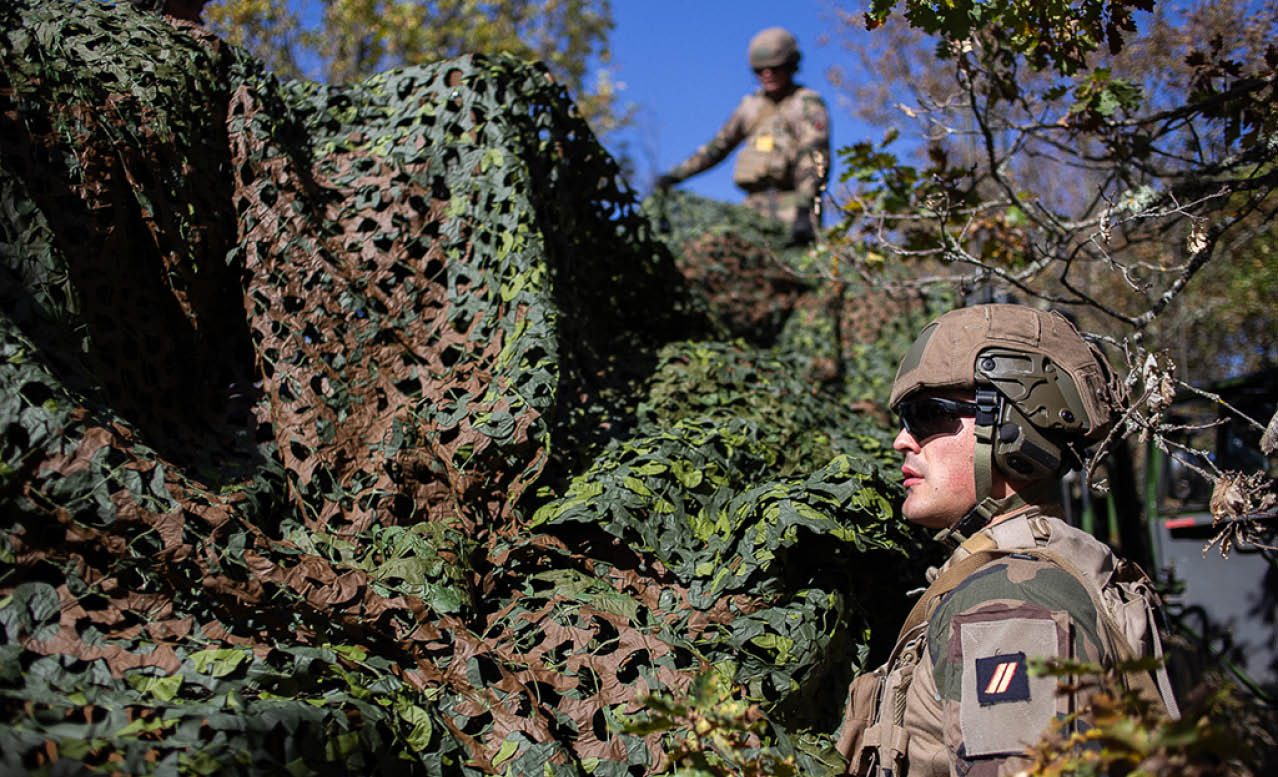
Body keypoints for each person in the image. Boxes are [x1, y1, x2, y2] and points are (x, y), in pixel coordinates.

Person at [837, 303, 1179, 777]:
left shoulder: (1009, 602)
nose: (902, 440)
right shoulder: (1052, 565)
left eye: (927, 415)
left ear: (1013, 429)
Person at [655, 27, 830, 246]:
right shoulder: (750, 107)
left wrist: (806, 206)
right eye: (760, 69)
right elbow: (719, 147)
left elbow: (814, 154)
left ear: (791, 66)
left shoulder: (805, 104)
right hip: (753, 209)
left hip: (794, 206)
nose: (767, 74)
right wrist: (676, 175)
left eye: (775, 68)